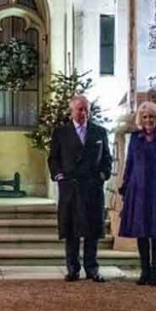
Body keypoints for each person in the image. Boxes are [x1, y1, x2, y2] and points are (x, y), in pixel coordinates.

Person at [48, 94, 112, 283]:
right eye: (79, 109)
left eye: (86, 109)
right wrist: (59, 175)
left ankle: (92, 268)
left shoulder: (99, 132)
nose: (83, 113)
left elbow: (107, 158)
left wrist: (103, 175)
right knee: (71, 231)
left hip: (92, 187)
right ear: (72, 111)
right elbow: (53, 158)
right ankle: (72, 268)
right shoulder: (61, 132)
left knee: (92, 231)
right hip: (70, 187)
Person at [119, 101, 156, 286]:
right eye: (145, 117)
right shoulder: (135, 138)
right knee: (141, 232)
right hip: (139, 190)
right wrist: (125, 185)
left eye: (151, 116)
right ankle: (144, 271)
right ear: (140, 120)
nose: (148, 120)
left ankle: (155, 273)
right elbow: (130, 163)